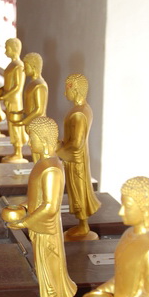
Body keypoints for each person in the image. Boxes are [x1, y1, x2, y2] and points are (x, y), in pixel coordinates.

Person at [6, 116, 77, 297]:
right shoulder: (42, 164)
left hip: (48, 231)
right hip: (39, 229)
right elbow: (36, 200)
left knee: (52, 270)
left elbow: (50, 207)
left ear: (44, 139)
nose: (29, 143)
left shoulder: (53, 169)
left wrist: (24, 222)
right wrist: (23, 207)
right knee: (43, 270)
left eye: (32, 138)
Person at [57, 73, 101, 240]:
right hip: (75, 157)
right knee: (76, 189)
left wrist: (59, 147)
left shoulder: (80, 113)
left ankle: (83, 225)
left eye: (66, 89)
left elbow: (76, 143)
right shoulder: (81, 110)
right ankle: (82, 223)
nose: (64, 93)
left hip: (76, 158)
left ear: (74, 90)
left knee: (78, 190)